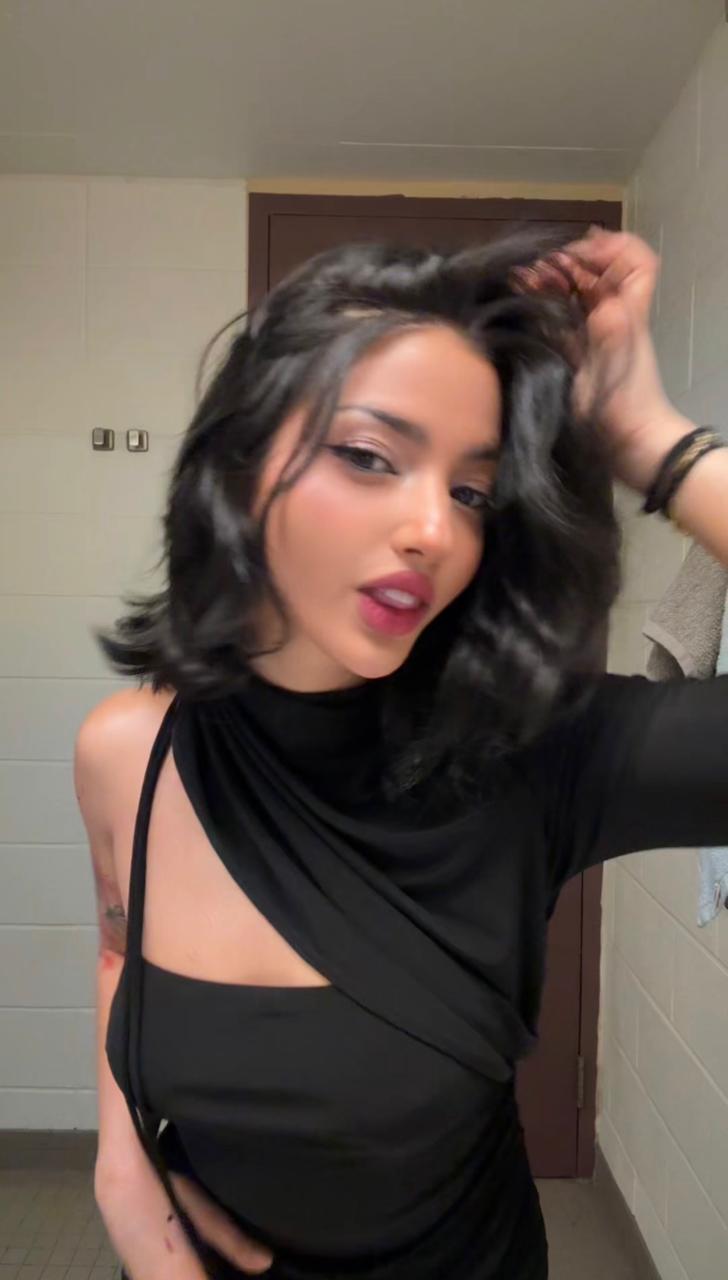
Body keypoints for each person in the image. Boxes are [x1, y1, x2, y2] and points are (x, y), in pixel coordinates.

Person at [74, 227, 728, 1280]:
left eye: (471, 491)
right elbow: (119, 951)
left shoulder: (534, 752)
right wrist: (120, 1167)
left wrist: (651, 439)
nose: (434, 529)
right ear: (238, 467)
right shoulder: (128, 753)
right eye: (370, 456)